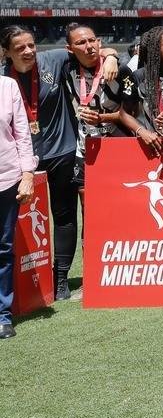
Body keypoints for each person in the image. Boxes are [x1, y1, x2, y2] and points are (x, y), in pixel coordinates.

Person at [2, 25, 118, 301]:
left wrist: (112, 56)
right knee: (19, 223)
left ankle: (61, 277)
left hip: (62, 153)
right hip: (22, 161)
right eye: (21, 48)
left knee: (64, 215)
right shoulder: (3, 80)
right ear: (6, 52)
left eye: (32, 45)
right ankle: (22, 280)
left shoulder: (53, 59)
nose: (29, 51)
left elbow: (93, 50)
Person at [65, 23, 131, 185]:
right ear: (70, 49)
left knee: (122, 196)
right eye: (81, 43)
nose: (89, 47)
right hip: (85, 145)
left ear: (99, 42)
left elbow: (132, 113)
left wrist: (101, 117)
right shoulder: (67, 68)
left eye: (92, 40)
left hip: (118, 141)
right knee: (87, 197)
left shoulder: (121, 71)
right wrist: (111, 54)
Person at [0, 73, 37, 338]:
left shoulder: (7, 85)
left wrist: (27, 175)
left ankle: (3, 315)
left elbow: (22, 134)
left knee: (3, 248)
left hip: (6, 179)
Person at [119, 26, 163, 166]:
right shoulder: (139, 76)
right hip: (153, 147)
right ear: (155, 49)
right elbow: (124, 113)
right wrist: (142, 131)